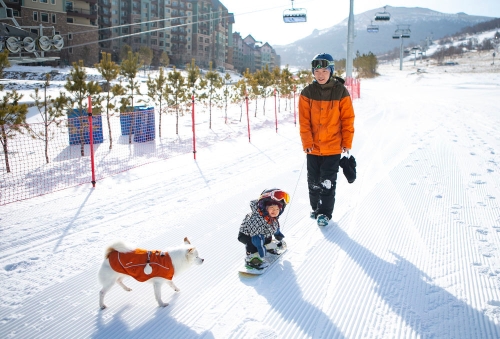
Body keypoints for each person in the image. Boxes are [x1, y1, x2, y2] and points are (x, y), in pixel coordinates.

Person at [298, 53, 355, 226]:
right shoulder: (307, 92)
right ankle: (316, 208)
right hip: (313, 148)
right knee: (313, 182)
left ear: (331, 71)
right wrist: (307, 143)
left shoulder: (340, 91)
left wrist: (347, 142)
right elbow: (304, 121)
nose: (320, 74)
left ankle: (325, 213)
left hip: (333, 147)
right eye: (317, 71)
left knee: (328, 182)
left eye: (324, 70)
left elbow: (347, 119)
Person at [238, 189, 289, 269]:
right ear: (265, 207)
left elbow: (274, 226)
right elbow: (256, 236)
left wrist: (277, 233)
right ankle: (251, 259)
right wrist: (260, 247)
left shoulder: (271, 217)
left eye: (277, 209)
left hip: (261, 234)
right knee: (253, 244)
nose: (274, 211)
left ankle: (267, 247)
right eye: (271, 208)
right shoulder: (256, 218)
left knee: (267, 237)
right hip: (247, 235)